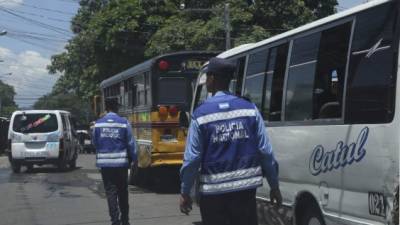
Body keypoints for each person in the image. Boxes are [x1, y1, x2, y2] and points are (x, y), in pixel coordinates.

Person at [179, 57, 282, 225]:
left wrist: (185, 192)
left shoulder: (201, 114)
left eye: (207, 78)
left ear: (212, 78)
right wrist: (274, 185)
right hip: (245, 191)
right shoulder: (250, 109)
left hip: (213, 193)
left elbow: (192, 159)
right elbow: (265, 151)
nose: (205, 82)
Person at [92, 98, 136, 225]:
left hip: (105, 165)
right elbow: (131, 143)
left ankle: (115, 221)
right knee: (123, 192)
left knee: (111, 193)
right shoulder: (124, 123)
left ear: (106, 108)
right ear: (116, 108)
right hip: (121, 164)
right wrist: (135, 159)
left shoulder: (98, 124)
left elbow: (95, 143)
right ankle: (125, 220)